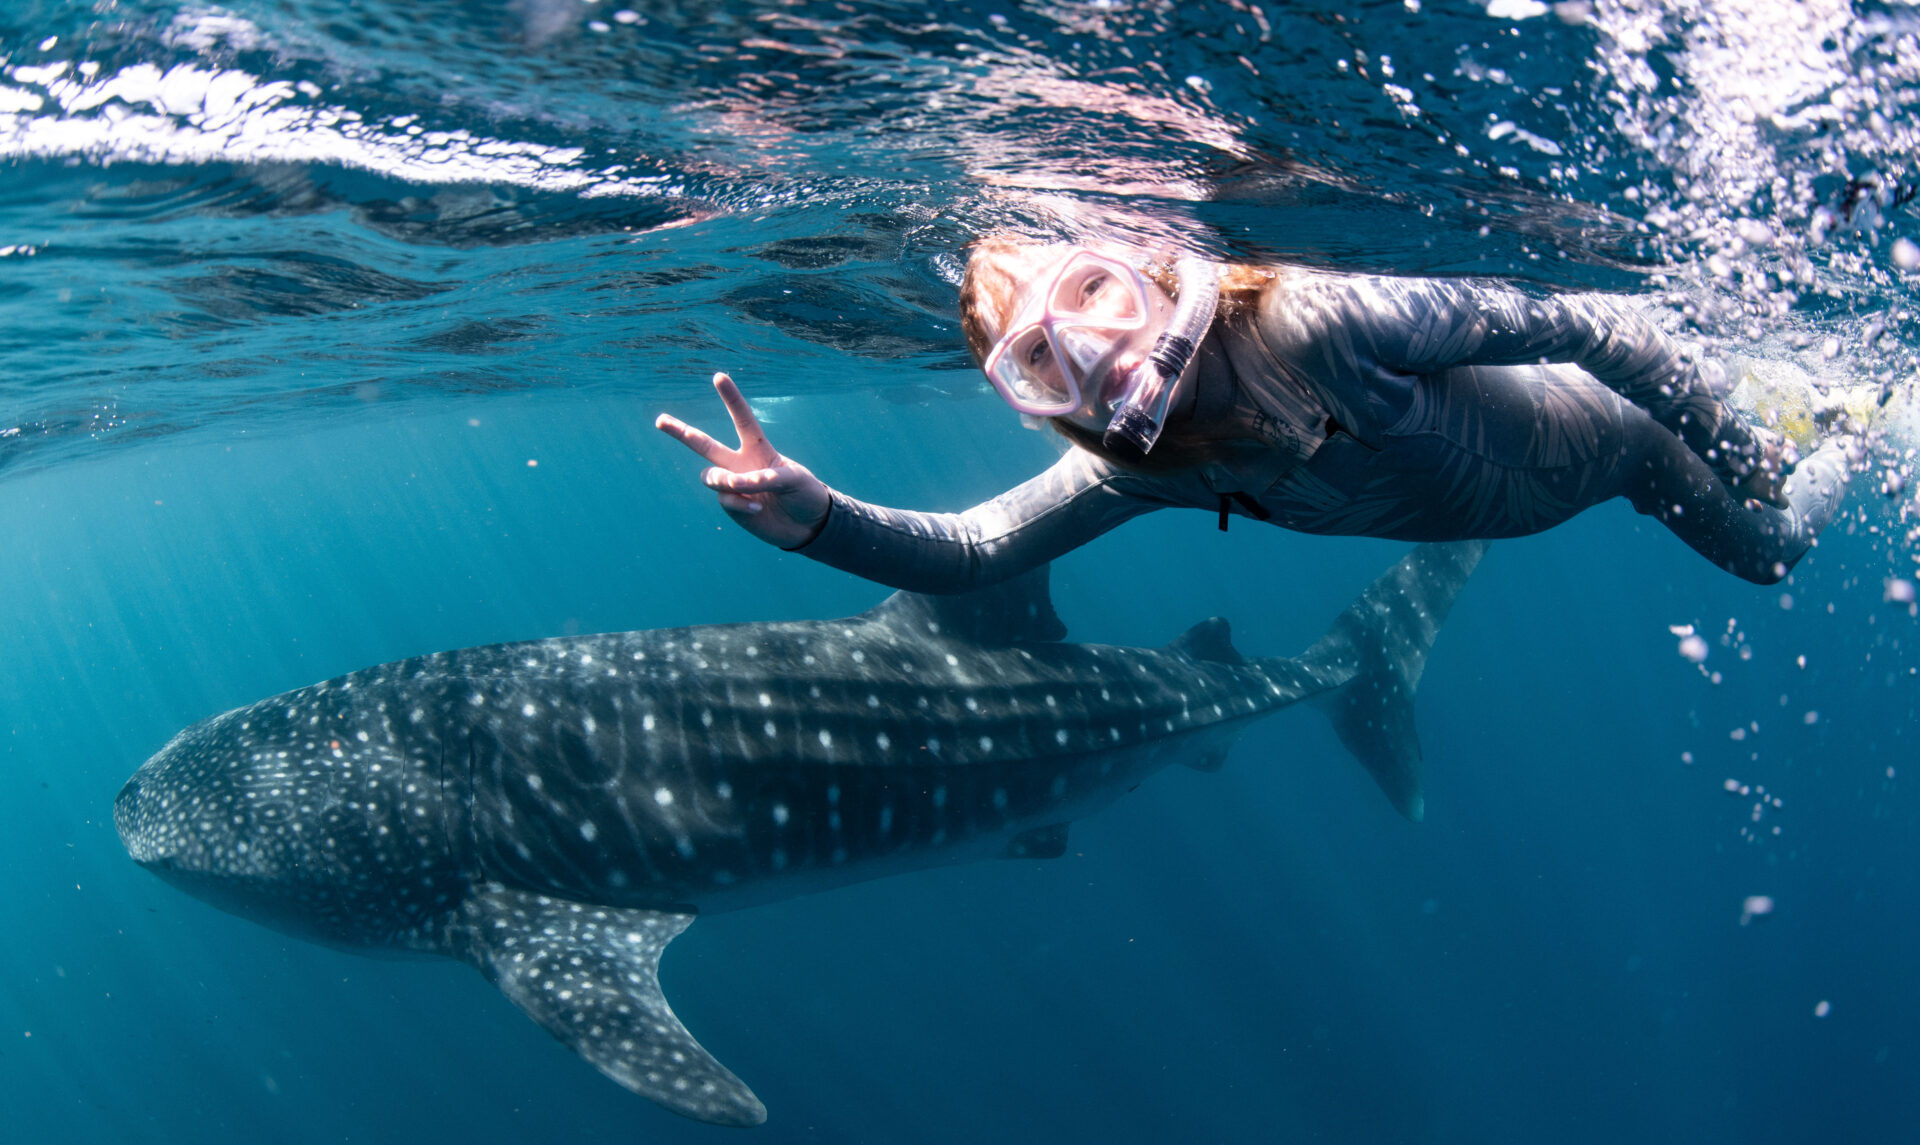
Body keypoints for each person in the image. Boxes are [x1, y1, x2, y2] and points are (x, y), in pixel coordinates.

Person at [656, 239, 1856, 590]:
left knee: (1774, 541)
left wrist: (1737, 454)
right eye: (1044, 360)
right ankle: (1807, 419)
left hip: (1624, 435)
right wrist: (820, 517)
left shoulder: (1317, 322)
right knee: (1768, 570)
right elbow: (978, 551)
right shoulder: (1144, 466)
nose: (1101, 347)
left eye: (1096, 291)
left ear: (1145, 266)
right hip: (1557, 492)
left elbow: (1606, 333)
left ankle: (1853, 424)